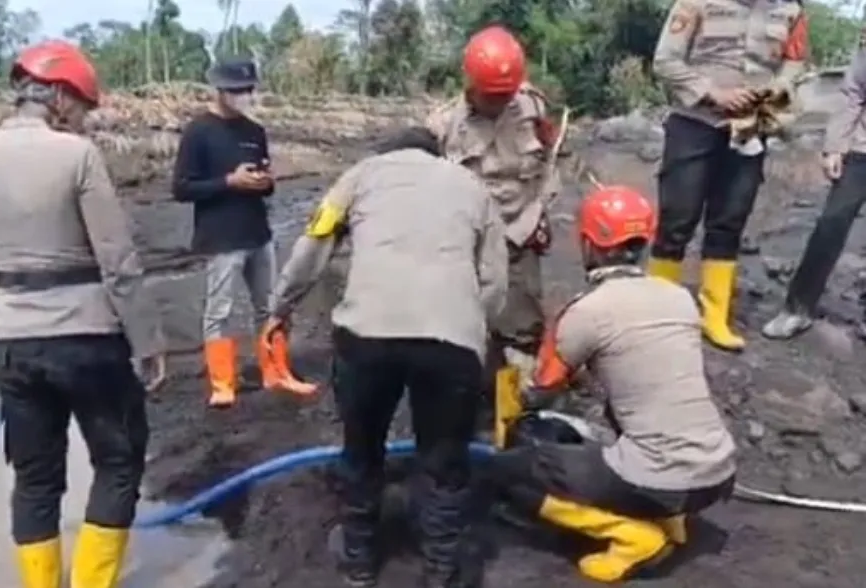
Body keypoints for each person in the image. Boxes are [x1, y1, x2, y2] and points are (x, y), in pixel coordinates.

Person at [0, 40, 166, 588]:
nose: (83, 120)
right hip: (90, 341)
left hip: (15, 344)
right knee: (118, 462)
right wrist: (148, 342)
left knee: (35, 480)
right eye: (82, 106)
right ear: (59, 95)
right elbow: (119, 261)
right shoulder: (77, 157)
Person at [261, 127, 511, 588]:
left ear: (387, 153)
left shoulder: (360, 176)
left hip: (367, 336)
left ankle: (358, 562)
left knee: (361, 448)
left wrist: (280, 308)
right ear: (434, 155)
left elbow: (313, 246)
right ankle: (440, 571)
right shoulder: (472, 188)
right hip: (450, 342)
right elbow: (495, 281)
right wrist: (474, 326)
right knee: (444, 459)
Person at [490, 185, 736, 583]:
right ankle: (674, 524)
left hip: (660, 477)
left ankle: (634, 537)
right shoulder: (679, 298)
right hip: (719, 471)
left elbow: (540, 391)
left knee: (507, 472)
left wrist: (510, 395)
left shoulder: (587, 311)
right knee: (635, 417)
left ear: (588, 243)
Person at [650, 0, 808, 351]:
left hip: (749, 130)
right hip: (695, 123)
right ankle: (655, 315)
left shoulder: (790, 11)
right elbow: (665, 61)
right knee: (677, 219)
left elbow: (794, 60)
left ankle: (714, 317)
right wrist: (715, 93)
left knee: (729, 222)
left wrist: (778, 87)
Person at [172, 57, 315, 408]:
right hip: (221, 237)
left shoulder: (255, 132)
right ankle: (222, 382)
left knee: (271, 305)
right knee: (219, 310)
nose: (243, 96)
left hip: (258, 233)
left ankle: (276, 371)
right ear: (219, 90)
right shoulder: (198, 131)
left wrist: (264, 182)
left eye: (248, 90)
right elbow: (181, 188)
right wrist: (228, 182)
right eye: (236, 90)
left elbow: (265, 187)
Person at [425, 25, 560, 390]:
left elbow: (552, 158)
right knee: (466, 324)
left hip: (520, 231)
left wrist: (543, 209)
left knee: (522, 329)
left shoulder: (533, 106)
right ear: (471, 85)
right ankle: (464, 400)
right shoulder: (443, 125)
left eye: (507, 94)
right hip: (469, 240)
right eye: (491, 96)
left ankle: (512, 413)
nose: (501, 102)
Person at [763, 48, 866, 339]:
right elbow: (853, 95)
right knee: (831, 224)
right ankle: (797, 309)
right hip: (861, 149)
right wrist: (835, 147)